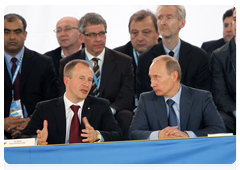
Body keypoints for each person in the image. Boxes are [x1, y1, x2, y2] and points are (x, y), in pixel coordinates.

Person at [58, 13, 134, 140]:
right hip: (81, 111)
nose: (98, 39)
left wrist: (106, 111)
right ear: (81, 37)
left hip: (112, 112)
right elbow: (64, 94)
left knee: (126, 116)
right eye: (92, 34)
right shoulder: (68, 63)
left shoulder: (123, 61)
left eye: (102, 33)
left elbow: (126, 97)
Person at [21, 59, 123, 144]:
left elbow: (117, 135)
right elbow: (24, 138)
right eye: (81, 78)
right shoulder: (45, 108)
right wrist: (37, 141)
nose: (86, 84)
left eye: (90, 80)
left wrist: (97, 135)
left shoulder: (101, 106)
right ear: (66, 81)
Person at [129, 55, 225, 140]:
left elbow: (218, 129)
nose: (152, 84)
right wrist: (158, 135)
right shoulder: (146, 99)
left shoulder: (201, 98)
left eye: (156, 77)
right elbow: (134, 133)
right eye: (150, 78)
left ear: (174, 76)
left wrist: (187, 135)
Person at [136, 5, 211, 98]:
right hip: (158, 111)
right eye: (160, 18)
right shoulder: (145, 59)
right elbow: (146, 96)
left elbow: (202, 95)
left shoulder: (199, 56)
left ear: (182, 23)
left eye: (169, 17)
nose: (163, 22)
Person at [4, 13, 58, 139]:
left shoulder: (44, 63)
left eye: (17, 32)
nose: (12, 37)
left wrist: (31, 122)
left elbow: (53, 101)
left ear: (25, 35)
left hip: (35, 130)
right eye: (6, 32)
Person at [114, 10, 161, 101]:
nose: (140, 38)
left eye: (146, 32)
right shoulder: (117, 57)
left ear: (157, 34)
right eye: (135, 33)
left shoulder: (168, 54)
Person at [210, 5, 238, 135]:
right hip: (234, 113)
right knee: (221, 120)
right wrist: (237, 112)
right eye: (235, 19)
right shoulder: (219, 55)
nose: (236, 24)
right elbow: (220, 95)